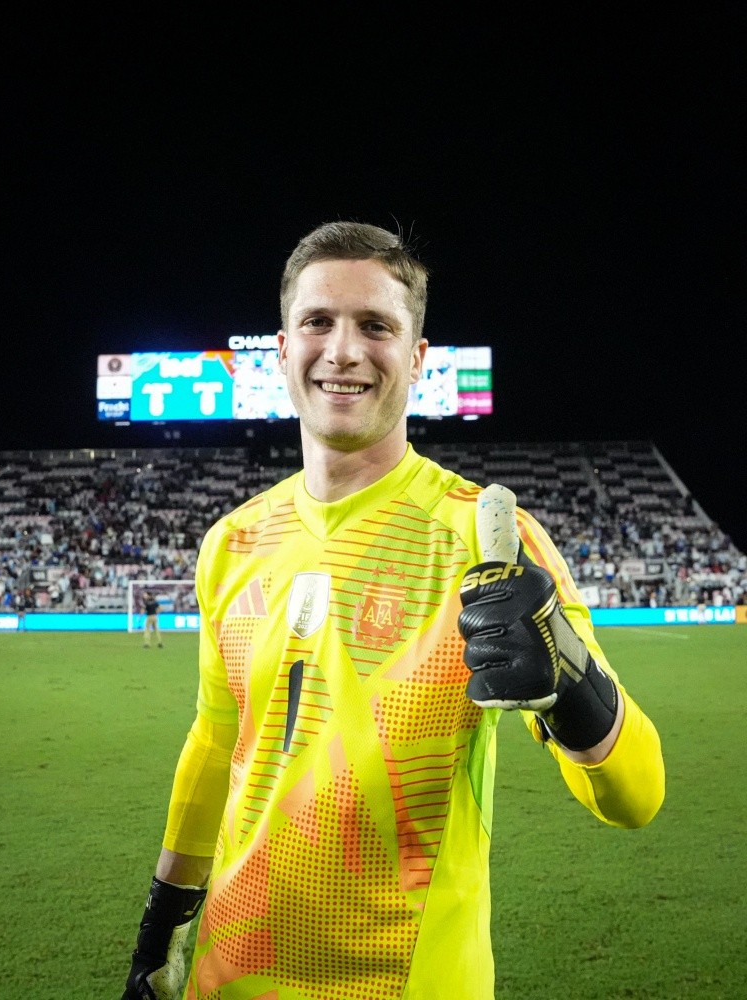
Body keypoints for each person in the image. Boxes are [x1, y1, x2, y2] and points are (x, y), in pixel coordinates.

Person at [121, 221, 665, 1000]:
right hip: (227, 980)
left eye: (375, 325)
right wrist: (160, 933)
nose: (342, 349)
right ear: (282, 350)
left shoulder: (487, 541)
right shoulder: (232, 542)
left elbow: (636, 797)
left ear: (416, 358)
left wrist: (569, 678)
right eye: (318, 321)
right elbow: (215, 747)